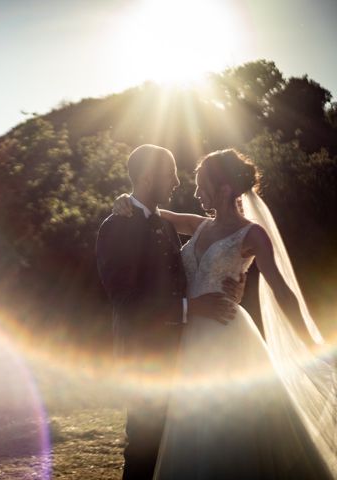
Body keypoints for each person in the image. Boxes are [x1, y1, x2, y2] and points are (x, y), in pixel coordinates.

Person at [113, 148, 336, 479]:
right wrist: (122, 199)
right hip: (186, 335)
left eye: (202, 185)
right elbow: (151, 211)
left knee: (225, 428)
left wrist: (311, 343)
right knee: (187, 426)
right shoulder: (199, 226)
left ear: (225, 189)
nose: (195, 192)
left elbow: (282, 290)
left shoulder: (252, 235)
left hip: (225, 336)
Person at [95, 144, 243, 480]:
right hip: (143, 356)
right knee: (145, 447)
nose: (177, 181)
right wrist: (192, 307)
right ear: (148, 177)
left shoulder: (164, 225)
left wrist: (232, 279)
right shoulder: (114, 228)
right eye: (171, 173)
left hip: (183, 352)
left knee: (176, 448)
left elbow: (188, 270)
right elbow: (127, 301)